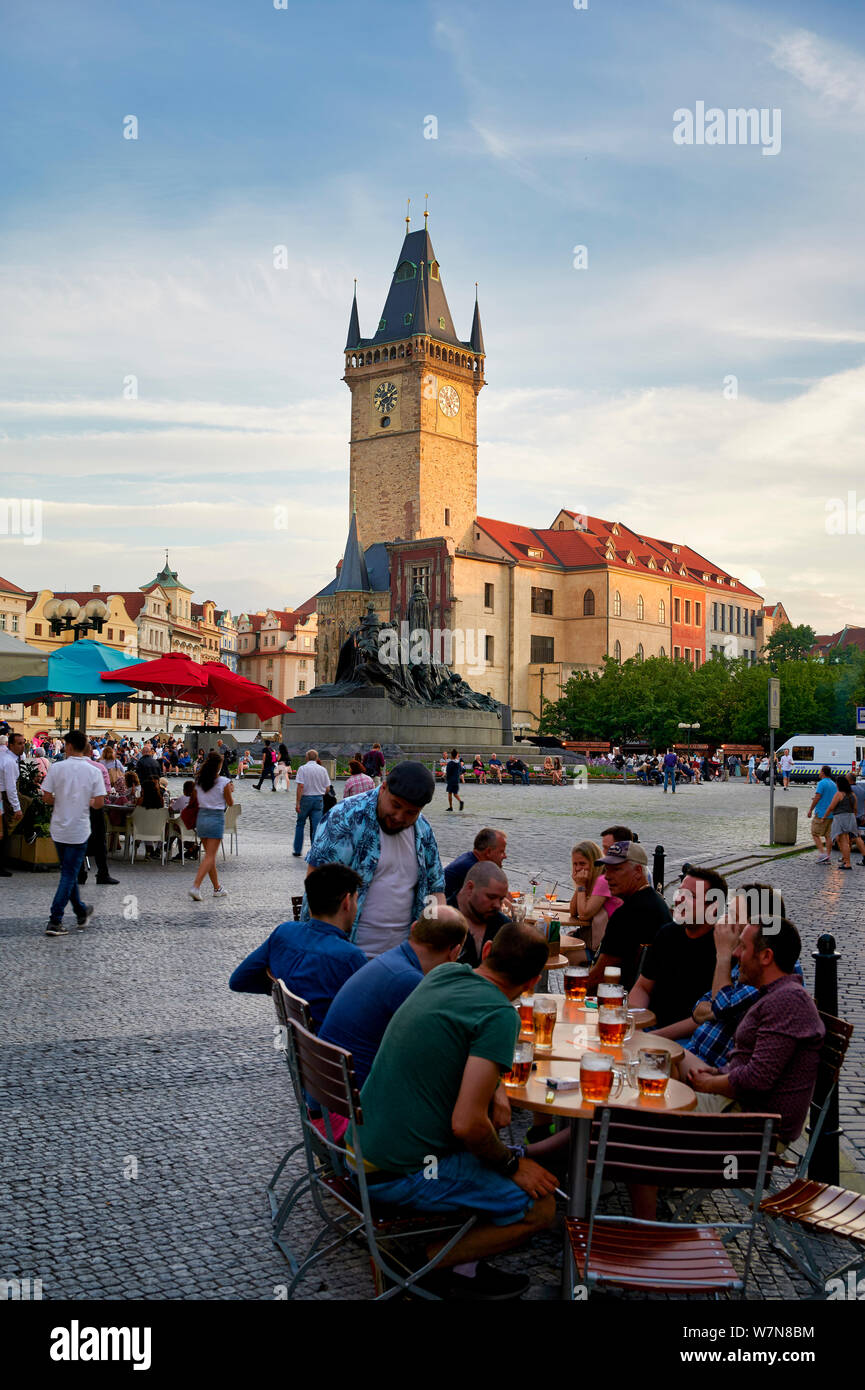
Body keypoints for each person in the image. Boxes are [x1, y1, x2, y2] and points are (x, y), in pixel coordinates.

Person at [354, 923, 557, 1300]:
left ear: (487, 950)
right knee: (541, 1208)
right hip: (398, 1172)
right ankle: (423, 1262)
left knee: (485, 1151)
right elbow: (466, 1125)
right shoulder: (500, 1016)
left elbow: (450, 1044)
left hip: (360, 1147)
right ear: (533, 982)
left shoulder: (445, 973)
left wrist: (494, 1087)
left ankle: (465, 1266)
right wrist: (513, 1165)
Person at [687, 917, 825, 1148]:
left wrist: (708, 1084)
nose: (736, 954)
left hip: (755, 1126)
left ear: (766, 957)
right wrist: (715, 1072)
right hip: (741, 1110)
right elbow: (752, 1067)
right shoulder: (774, 995)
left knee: (644, 1117)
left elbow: (755, 1080)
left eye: (742, 946)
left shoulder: (788, 1002)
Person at [305, 761, 444, 958]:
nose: (399, 816)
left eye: (410, 812)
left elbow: (434, 891)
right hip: (343, 956)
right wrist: (332, 956)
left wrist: (433, 931)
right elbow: (316, 887)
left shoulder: (423, 831)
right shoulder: (345, 817)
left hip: (404, 961)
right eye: (395, 805)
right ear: (383, 788)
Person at [319, 907, 468, 1086]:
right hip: (350, 1102)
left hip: (330, 1090)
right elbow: (437, 1052)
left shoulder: (394, 961)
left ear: (414, 928)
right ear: (455, 952)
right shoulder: (409, 981)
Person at [229, 863, 366, 1027]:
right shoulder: (350, 957)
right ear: (347, 902)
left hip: (303, 1045)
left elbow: (239, 980)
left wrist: (284, 991)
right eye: (356, 900)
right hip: (332, 1048)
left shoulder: (284, 933)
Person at [628, 868, 728, 1031]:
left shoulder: (723, 947)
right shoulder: (667, 933)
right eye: (680, 892)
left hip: (689, 1037)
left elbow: (706, 1016)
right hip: (650, 1027)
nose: (680, 898)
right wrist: (635, 1023)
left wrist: (655, 1038)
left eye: (692, 896)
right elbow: (643, 987)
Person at [39, 731, 106, 937]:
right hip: (79, 829)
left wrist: (62, 799)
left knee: (68, 872)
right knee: (69, 873)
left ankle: (80, 910)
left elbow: (46, 798)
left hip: (59, 828)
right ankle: (55, 920)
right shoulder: (93, 771)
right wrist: (85, 801)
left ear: (67, 746)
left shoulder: (57, 768)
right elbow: (100, 803)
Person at [586, 841, 672, 990]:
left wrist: (573, 986)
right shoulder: (656, 902)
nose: (607, 877)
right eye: (606, 870)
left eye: (616, 869)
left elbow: (600, 977)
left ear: (638, 871)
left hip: (622, 1000)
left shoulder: (627, 914)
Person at [189, 751, 233, 901]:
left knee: (209, 856)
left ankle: (217, 887)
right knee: (210, 856)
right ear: (219, 766)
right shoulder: (223, 782)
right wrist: (230, 791)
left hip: (201, 818)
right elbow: (231, 803)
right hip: (216, 818)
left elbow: (194, 799)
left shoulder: (199, 781)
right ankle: (196, 886)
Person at [450, 861, 511, 967]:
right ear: (470, 888)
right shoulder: (442, 919)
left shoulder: (504, 926)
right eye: (491, 897)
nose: (497, 905)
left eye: (501, 899)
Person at [78, 740, 119, 886]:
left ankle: (80, 873)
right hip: (95, 807)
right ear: (90, 752)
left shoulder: (71, 767)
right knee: (99, 841)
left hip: (77, 808)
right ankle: (102, 873)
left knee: (79, 840)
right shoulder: (99, 768)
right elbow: (107, 791)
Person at [568, 839, 621, 951]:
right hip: (598, 937)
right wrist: (579, 885)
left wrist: (581, 885)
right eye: (575, 864)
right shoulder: (592, 880)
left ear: (594, 863)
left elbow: (584, 915)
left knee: (564, 953)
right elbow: (573, 911)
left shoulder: (603, 880)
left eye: (582, 863)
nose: (577, 868)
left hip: (610, 944)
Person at [0, 728, 39, 875]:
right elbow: (10, 788)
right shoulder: (9, 762)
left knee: (4, 831)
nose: (22, 746)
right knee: (3, 831)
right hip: (5, 797)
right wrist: (17, 808)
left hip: (6, 795)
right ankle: (29, 833)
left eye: (23, 743)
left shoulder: (7, 757)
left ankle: (28, 832)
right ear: (10, 745)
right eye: (19, 743)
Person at [443, 827, 508, 898]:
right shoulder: (473, 869)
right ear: (488, 852)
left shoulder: (469, 857)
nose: (505, 856)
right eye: (501, 852)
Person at [292, 749, 332, 856]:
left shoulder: (302, 769)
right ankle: (315, 850)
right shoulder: (322, 770)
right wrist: (321, 793)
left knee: (300, 824)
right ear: (317, 758)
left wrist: (297, 802)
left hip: (305, 798)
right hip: (318, 799)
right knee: (316, 826)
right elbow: (327, 788)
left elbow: (300, 786)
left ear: (306, 757)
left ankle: (297, 850)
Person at [826, 775, 865, 870]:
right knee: (855, 837)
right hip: (856, 816)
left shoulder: (844, 792)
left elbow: (832, 806)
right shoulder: (861, 790)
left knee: (843, 839)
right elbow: (859, 805)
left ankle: (846, 860)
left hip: (844, 817)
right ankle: (848, 858)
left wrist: (824, 816)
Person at [807, 765, 839, 864]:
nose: (819, 773)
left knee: (815, 833)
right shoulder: (834, 784)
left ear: (823, 773)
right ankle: (828, 856)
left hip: (821, 813)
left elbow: (818, 796)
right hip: (832, 814)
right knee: (828, 836)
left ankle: (822, 853)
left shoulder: (821, 783)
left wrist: (810, 809)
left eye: (820, 771)